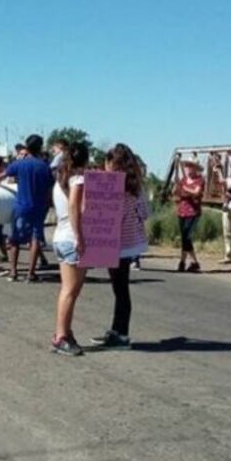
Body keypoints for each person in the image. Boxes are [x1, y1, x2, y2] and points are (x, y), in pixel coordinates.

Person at [90, 144, 149, 349]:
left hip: (116, 242)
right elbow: (145, 213)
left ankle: (121, 334)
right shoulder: (136, 185)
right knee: (120, 288)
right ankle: (117, 330)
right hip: (130, 241)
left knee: (120, 289)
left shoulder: (111, 185)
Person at [0, 133, 53, 282]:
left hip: (21, 206)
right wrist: (48, 204)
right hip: (39, 207)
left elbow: (2, 176)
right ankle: (31, 273)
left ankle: (13, 271)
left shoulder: (19, 164)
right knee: (35, 239)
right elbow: (49, 190)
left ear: (27, 147)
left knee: (15, 239)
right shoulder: (44, 166)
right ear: (40, 147)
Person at [50, 142, 89, 356]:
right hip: (71, 238)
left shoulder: (60, 180)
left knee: (68, 290)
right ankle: (61, 336)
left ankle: (64, 332)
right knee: (70, 291)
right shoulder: (78, 179)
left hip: (60, 236)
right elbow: (75, 206)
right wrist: (79, 236)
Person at [174, 160, 204, 272]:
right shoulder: (183, 180)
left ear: (195, 168)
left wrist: (185, 188)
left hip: (193, 212)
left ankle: (183, 261)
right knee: (184, 237)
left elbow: (196, 192)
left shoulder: (200, 180)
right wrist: (177, 187)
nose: (187, 168)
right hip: (182, 210)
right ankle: (193, 262)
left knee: (187, 236)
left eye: (189, 166)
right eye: (186, 166)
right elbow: (176, 192)